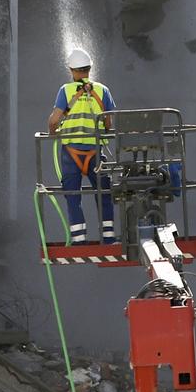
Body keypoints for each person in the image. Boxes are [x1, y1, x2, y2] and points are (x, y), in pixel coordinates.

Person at [47, 45, 117, 244]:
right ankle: (109, 237)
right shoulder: (102, 90)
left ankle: (79, 239)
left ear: (71, 70)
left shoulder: (66, 90)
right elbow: (109, 121)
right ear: (89, 68)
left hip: (71, 153)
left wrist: (54, 133)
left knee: (72, 196)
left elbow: (53, 121)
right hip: (96, 151)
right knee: (104, 193)